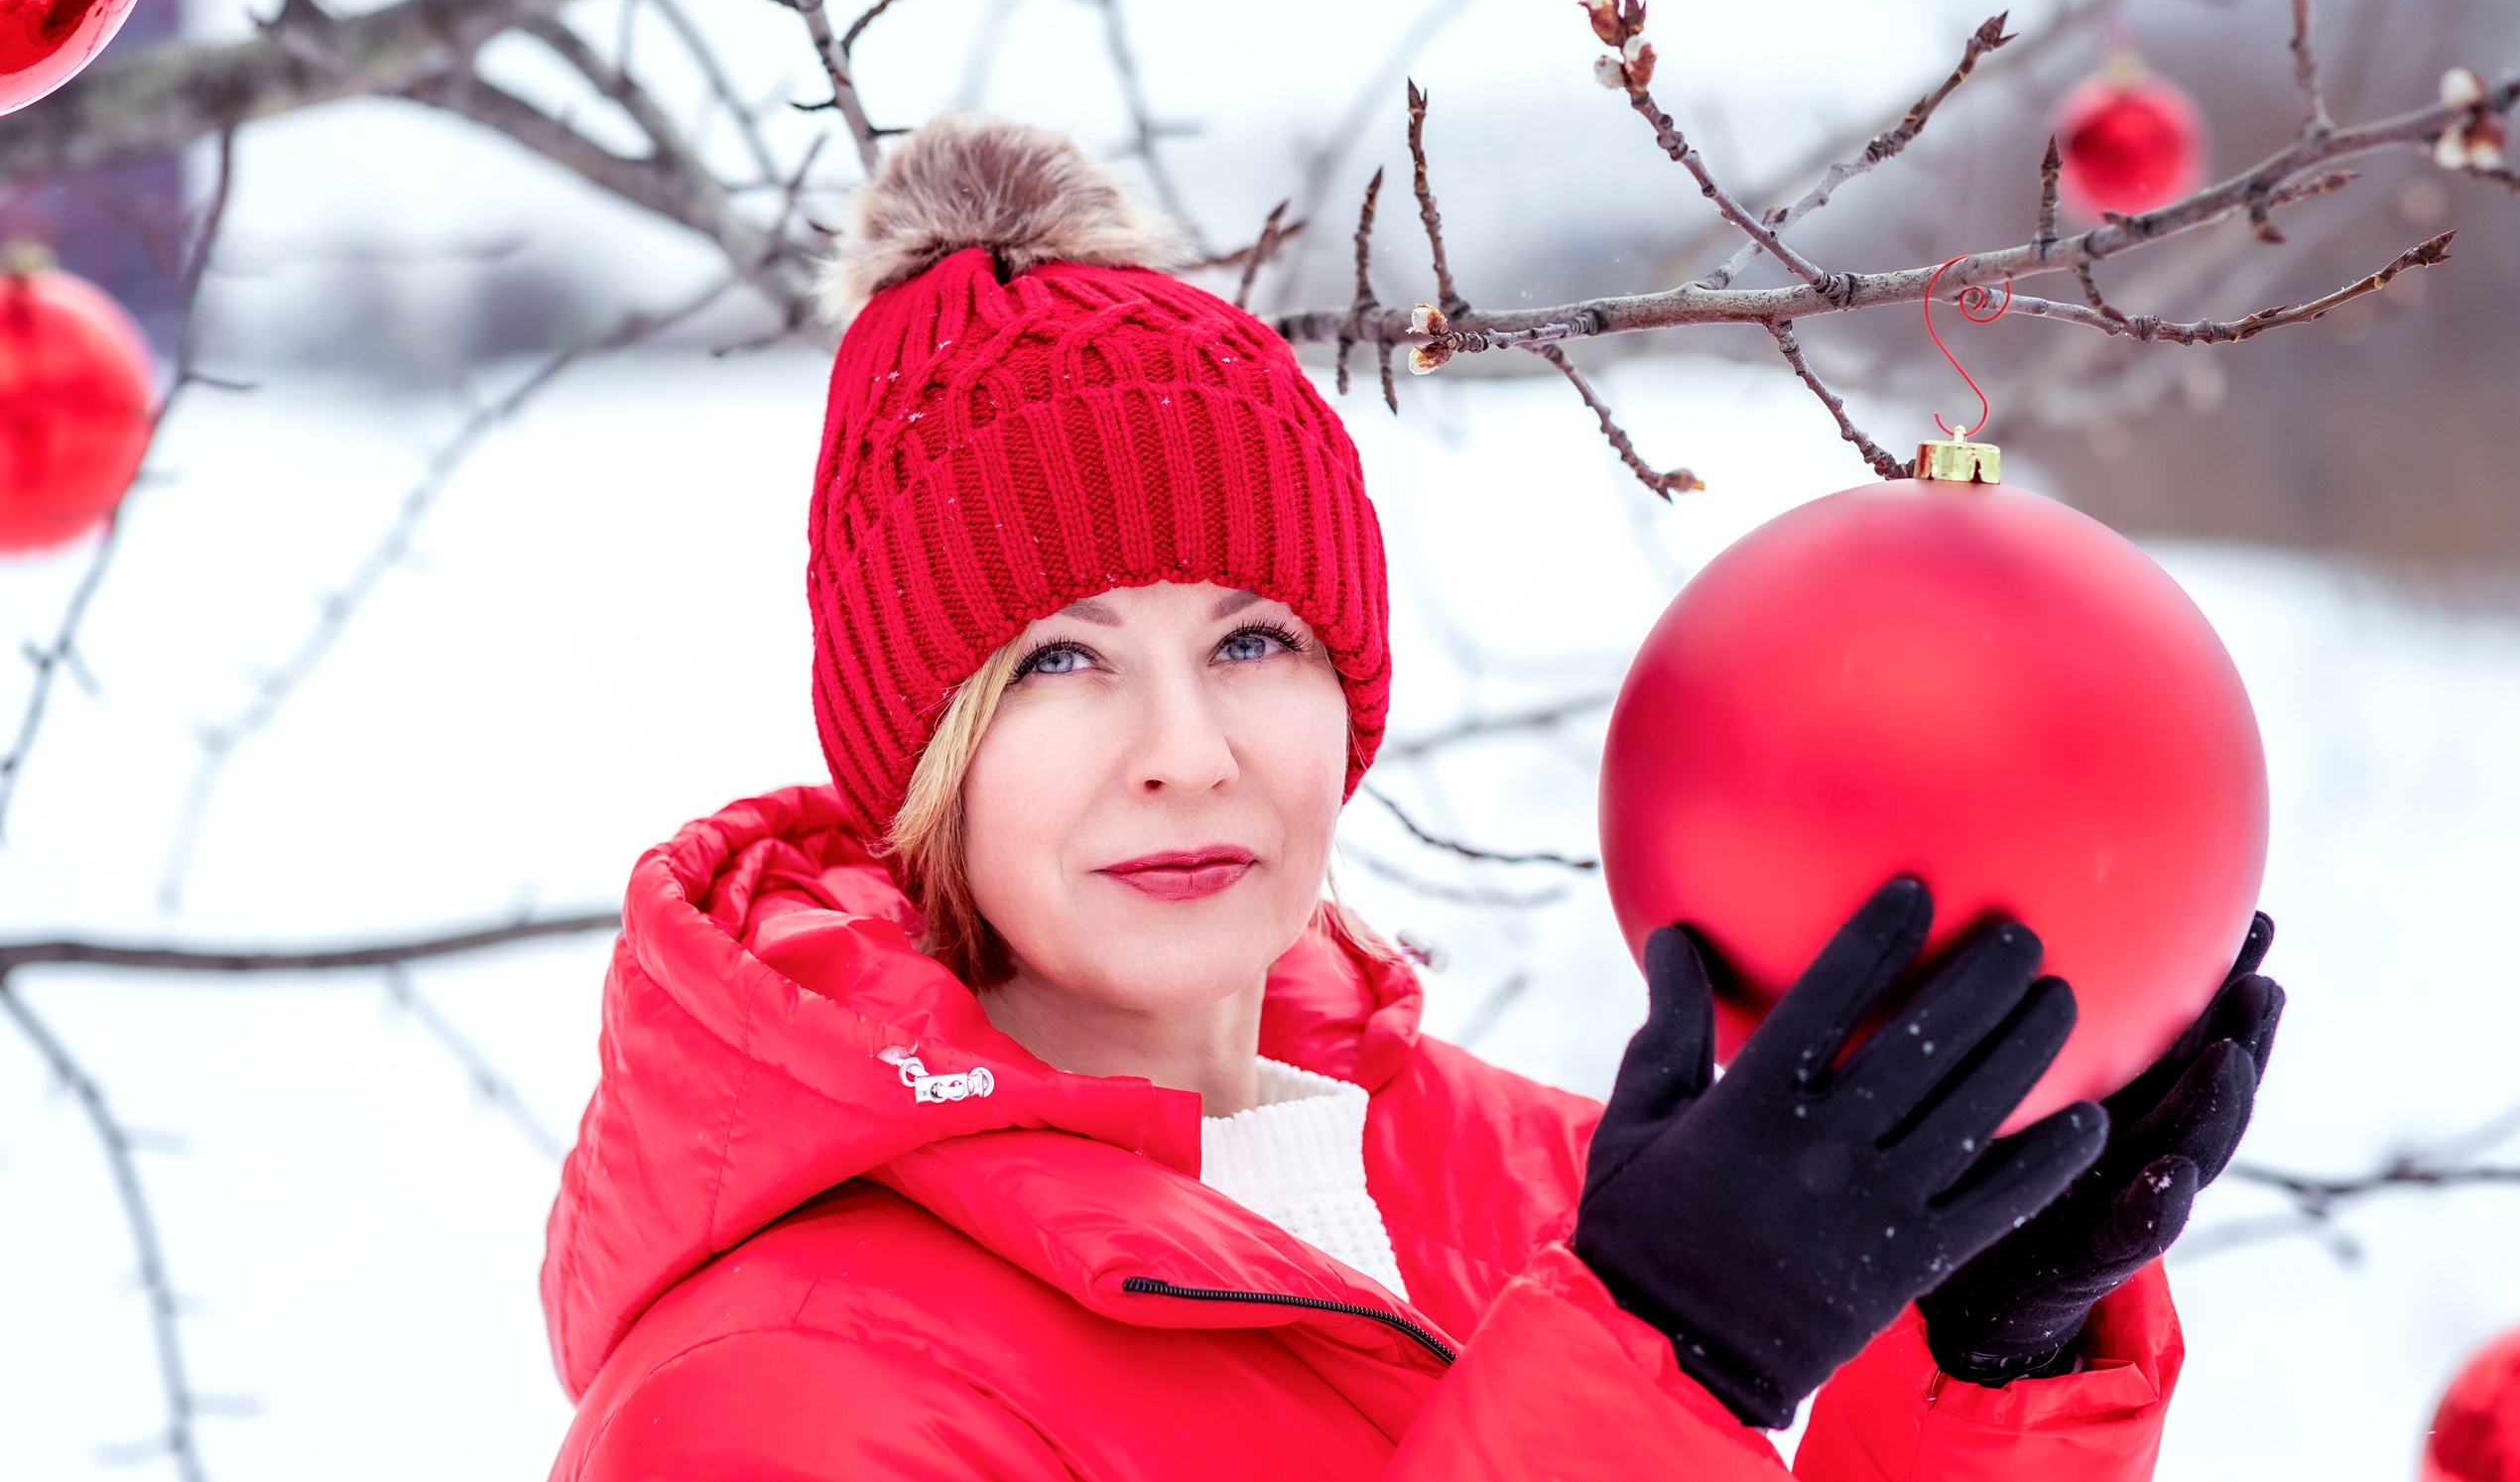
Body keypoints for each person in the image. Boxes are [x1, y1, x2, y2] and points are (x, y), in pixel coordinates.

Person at [539, 115, 2284, 1480]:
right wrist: (1663, 1363)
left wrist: (1994, 1371)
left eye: (1254, 639)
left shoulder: (1538, 1184)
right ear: (921, 748)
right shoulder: (777, 1387)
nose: (1189, 750)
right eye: (1058, 661)